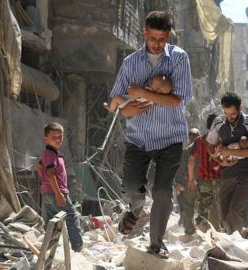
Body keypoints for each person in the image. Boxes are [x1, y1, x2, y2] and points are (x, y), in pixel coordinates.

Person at [108, 11, 192, 259]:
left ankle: (156, 243)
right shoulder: (130, 63)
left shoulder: (179, 59)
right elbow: (117, 99)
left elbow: (178, 100)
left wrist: (138, 92)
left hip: (170, 138)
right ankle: (135, 211)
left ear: (169, 36)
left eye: (162, 39)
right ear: (144, 33)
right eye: (153, 38)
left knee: (163, 192)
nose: (157, 43)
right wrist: (127, 106)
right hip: (138, 138)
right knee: (133, 185)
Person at [206, 92, 248, 238]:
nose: (229, 118)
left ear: (240, 109)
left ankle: (236, 244)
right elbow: (209, 145)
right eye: (226, 114)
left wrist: (229, 150)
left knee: (234, 211)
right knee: (224, 214)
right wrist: (219, 160)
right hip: (227, 173)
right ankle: (240, 234)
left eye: (233, 114)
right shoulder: (218, 122)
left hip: (246, 174)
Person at [39, 122, 83, 252]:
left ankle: (49, 249)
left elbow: (40, 167)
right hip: (57, 192)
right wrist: (59, 194)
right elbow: (51, 174)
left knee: (52, 222)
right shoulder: (51, 154)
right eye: (54, 137)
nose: (58, 140)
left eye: (60, 137)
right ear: (45, 138)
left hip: (47, 193)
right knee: (71, 216)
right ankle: (77, 247)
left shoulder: (51, 154)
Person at [188, 114, 222, 233]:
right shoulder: (222, 140)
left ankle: (202, 225)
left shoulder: (199, 140)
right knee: (219, 206)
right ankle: (217, 232)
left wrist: (191, 179)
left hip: (204, 180)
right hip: (219, 180)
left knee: (204, 204)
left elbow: (191, 160)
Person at [175, 128, 200, 241]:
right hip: (201, 181)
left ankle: (189, 230)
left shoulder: (187, 150)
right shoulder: (204, 148)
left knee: (188, 205)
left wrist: (178, 182)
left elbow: (181, 168)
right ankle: (197, 229)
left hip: (190, 182)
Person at [107, 75, 173, 112]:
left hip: (129, 102)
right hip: (132, 104)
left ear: (157, 90)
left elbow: (136, 92)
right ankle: (113, 107)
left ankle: (111, 109)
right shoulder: (156, 99)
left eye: (152, 82)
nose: (150, 81)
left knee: (116, 98)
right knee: (118, 99)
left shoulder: (148, 91)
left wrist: (134, 89)